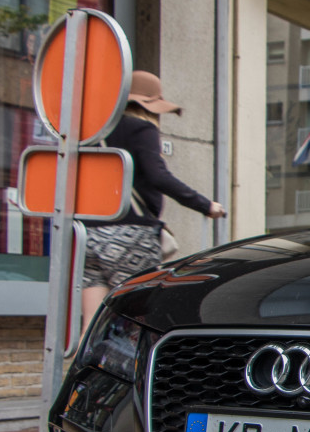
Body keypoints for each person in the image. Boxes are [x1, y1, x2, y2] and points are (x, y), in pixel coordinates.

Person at [81, 70, 225, 334]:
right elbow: (158, 176)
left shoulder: (93, 133)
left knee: (92, 327)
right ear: (147, 106)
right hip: (129, 236)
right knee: (137, 326)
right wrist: (206, 205)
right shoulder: (141, 128)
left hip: (88, 235)